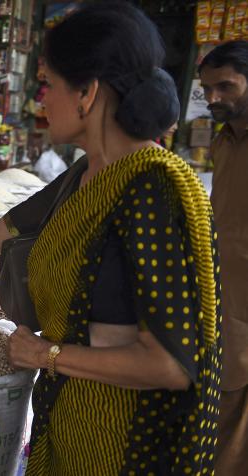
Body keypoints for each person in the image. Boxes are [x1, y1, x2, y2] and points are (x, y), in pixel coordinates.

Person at [0, 4, 221, 474]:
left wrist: (46, 354)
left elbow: (168, 364)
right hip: (71, 419)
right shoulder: (84, 175)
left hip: (127, 446)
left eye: (48, 86)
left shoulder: (156, 190)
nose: (40, 101)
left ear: (86, 93)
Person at [198, 40, 248, 475]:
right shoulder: (224, 140)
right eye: (207, 88)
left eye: (225, 87)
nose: (214, 98)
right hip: (225, 296)